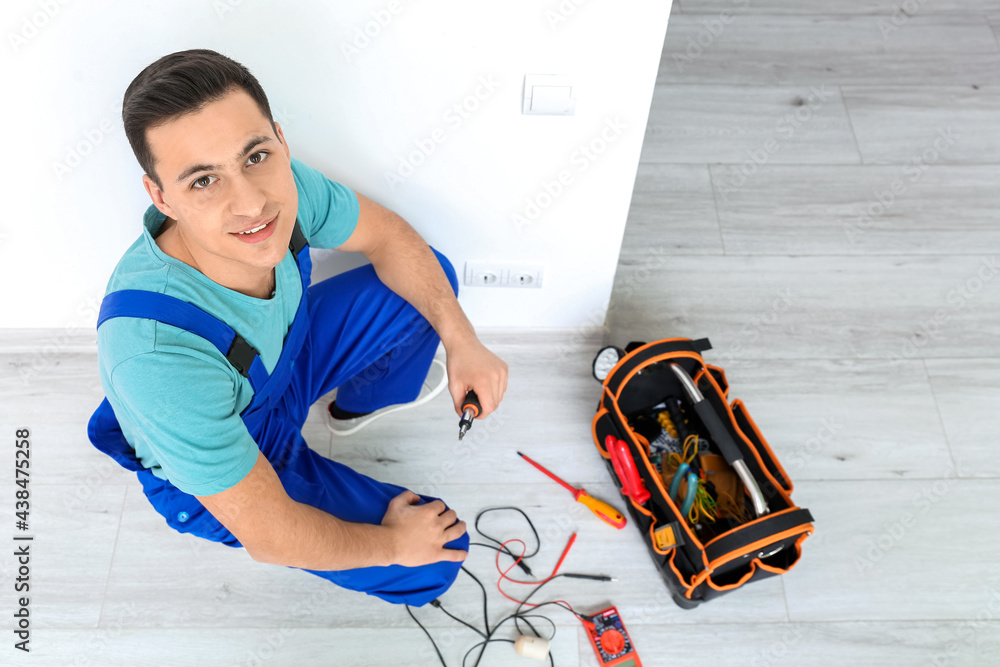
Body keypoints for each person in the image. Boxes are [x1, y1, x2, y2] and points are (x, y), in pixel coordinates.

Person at [86, 49, 508, 606]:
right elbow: (272, 536)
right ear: (161, 197)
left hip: (284, 363)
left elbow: (391, 239)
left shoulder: (284, 186)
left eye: (256, 156)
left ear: (279, 143)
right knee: (438, 561)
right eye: (204, 180)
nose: (252, 202)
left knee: (432, 283)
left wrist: (462, 339)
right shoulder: (157, 357)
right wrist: (392, 546)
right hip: (232, 450)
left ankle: (351, 409)